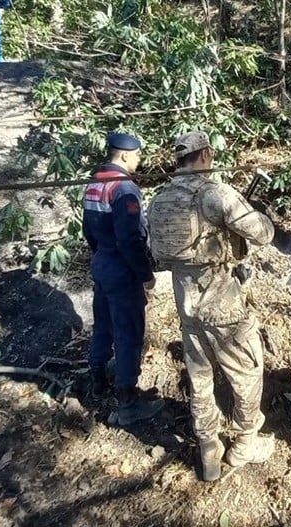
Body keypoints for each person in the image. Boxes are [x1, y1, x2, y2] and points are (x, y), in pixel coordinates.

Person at [146, 131, 275, 482]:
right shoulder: (214, 194)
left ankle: (209, 451)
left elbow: (156, 253)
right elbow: (263, 234)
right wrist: (256, 214)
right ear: (205, 155)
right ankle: (245, 444)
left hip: (186, 307)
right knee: (247, 374)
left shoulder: (159, 201)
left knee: (200, 380)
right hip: (224, 307)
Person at [83, 132, 164, 426]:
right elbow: (131, 238)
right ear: (126, 155)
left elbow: (88, 231)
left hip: (101, 263)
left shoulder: (95, 182)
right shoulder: (125, 189)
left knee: (102, 324)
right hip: (121, 268)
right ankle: (128, 402)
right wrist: (145, 275)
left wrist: (100, 257)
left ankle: (97, 380)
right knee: (129, 333)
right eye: (138, 156)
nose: (139, 161)